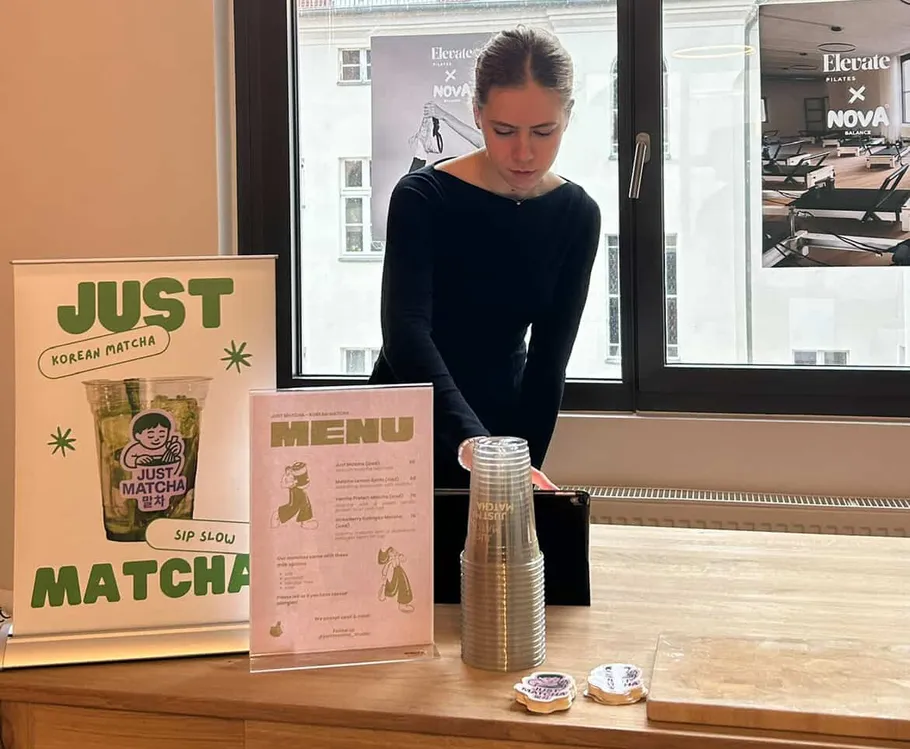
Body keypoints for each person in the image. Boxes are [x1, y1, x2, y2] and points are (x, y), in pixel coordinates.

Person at [369, 24, 602, 490]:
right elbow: (406, 334)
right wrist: (471, 442)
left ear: (568, 116)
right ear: (476, 114)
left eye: (543, 131)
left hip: (503, 425)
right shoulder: (423, 198)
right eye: (503, 130)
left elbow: (548, 362)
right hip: (406, 419)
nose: (524, 152)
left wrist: (517, 465)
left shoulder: (576, 214)